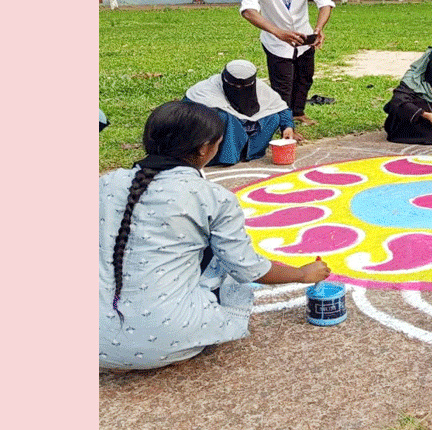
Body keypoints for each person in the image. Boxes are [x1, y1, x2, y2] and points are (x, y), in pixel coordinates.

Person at [99, 101, 331, 370]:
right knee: (225, 260)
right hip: (169, 339)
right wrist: (304, 274)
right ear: (203, 148)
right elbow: (247, 269)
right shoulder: (212, 197)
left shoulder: (106, 182)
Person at [240, 0, 335, 127]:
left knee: (305, 78)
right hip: (275, 40)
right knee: (283, 85)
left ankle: (298, 113)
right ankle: (284, 123)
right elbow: (249, 11)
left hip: (304, 36)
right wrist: (278, 33)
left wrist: (318, 29)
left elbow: (324, 3)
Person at [184, 60, 299, 166]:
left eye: (245, 86)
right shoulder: (205, 90)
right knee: (223, 117)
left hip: (249, 126)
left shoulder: (260, 87)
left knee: (273, 117)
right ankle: (225, 157)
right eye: (235, 86)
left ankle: (250, 153)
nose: (239, 89)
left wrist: (287, 127)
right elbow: (188, 117)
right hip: (226, 132)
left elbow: (281, 108)